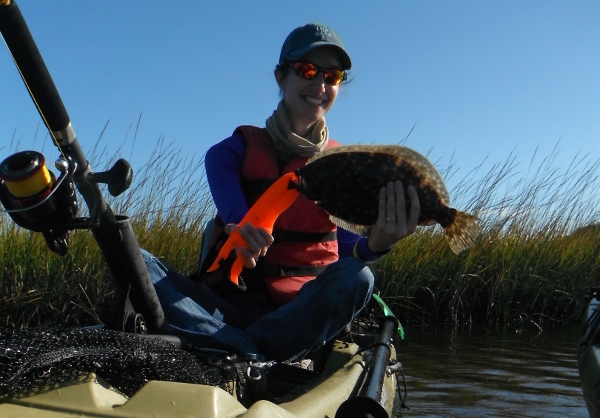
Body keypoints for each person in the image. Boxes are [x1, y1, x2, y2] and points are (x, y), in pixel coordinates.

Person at [143, 23, 419, 361]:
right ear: (281, 78)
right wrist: (241, 231)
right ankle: (247, 350)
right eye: (307, 70)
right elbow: (238, 219)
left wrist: (379, 244)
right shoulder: (229, 154)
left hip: (295, 317)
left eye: (331, 77)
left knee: (359, 278)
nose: (319, 85)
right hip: (226, 307)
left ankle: (235, 348)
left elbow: (351, 252)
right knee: (132, 258)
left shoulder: (343, 167)